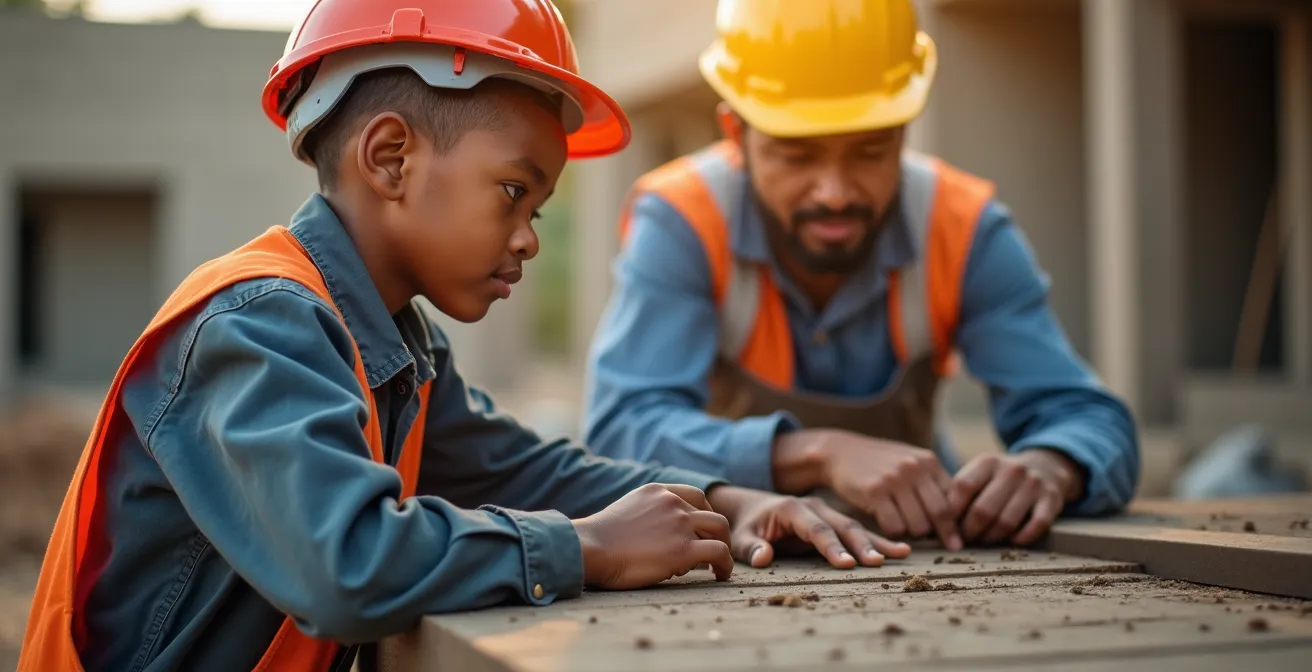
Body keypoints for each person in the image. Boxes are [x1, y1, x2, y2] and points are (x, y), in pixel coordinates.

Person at [16, 2, 911, 671]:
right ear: (391, 157)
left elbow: (517, 468)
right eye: (515, 193)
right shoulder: (262, 327)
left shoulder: (393, 340)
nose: (528, 236)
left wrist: (719, 498)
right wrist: (586, 547)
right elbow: (345, 564)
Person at [582, 0, 1140, 554]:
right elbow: (621, 429)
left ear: (904, 129)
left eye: (870, 150)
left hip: (926, 559)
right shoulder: (686, 221)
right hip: (737, 566)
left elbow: (1090, 418)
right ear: (735, 131)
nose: (835, 192)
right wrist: (815, 451)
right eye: (797, 156)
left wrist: (1055, 464)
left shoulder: (963, 227)